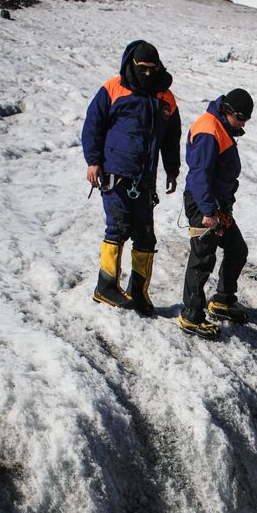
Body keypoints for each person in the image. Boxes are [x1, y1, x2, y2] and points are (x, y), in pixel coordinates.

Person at [82, 40, 181, 315]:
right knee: (118, 228)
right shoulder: (113, 88)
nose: (148, 74)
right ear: (133, 64)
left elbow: (171, 138)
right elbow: (93, 126)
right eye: (143, 68)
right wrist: (93, 161)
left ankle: (139, 293)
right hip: (115, 172)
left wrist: (172, 169)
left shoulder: (165, 98)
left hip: (145, 177)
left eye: (153, 69)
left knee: (145, 236)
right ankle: (106, 286)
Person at [178, 89, 254, 340]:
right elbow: (199, 175)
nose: (243, 124)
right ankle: (191, 315)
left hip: (216, 204)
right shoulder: (209, 130)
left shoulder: (221, 128)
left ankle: (222, 300)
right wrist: (209, 211)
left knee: (237, 249)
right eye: (241, 117)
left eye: (247, 119)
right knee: (202, 257)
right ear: (227, 110)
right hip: (204, 204)